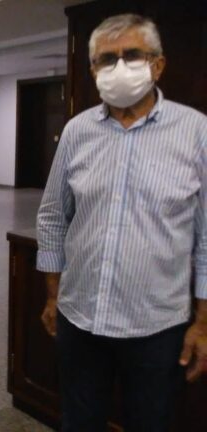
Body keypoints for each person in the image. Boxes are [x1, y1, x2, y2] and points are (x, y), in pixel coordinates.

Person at [36, 13, 207, 432]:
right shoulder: (77, 130)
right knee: (79, 422)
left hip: (157, 326)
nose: (119, 67)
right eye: (106, 59)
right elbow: (54, 216)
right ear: (93, 69)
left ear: (158, 64)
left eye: (132, 55)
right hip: (80, 319)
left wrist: (204, 322)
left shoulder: (197, 132)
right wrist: (53, 295)